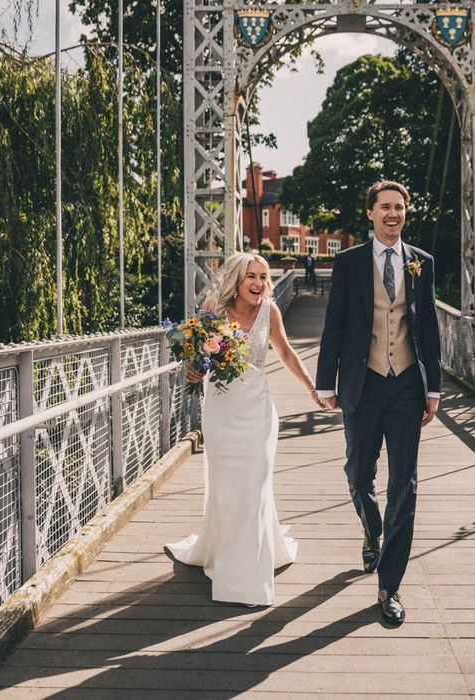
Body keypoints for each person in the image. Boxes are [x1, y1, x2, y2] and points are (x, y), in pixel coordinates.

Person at [315, 181, 441, 625]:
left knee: (404, 485)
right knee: (357, 474)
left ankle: (390, 586)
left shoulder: (421, 262)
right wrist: (324, 382)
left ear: (405, 213)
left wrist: (434, 389)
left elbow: (428, 330)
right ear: (370, 213)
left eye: (399, 207)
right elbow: (333, 325)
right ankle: (372, 531)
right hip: (361, 384)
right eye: (384, 207)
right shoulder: (348, 263)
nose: (393, 214)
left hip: (407, 386)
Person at [165, 252, 321, 607]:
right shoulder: (213, 308)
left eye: (264, 277)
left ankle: (246, 578)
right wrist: (194, 370)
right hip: (221, 412)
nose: (259, 284)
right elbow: (195, 357)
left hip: (258, 414)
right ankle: (224, 554)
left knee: (253, 486)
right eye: (252, 276)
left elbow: (285, 353)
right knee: (227, 489)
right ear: (236, 280)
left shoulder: (271, 312)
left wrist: (312, 388)